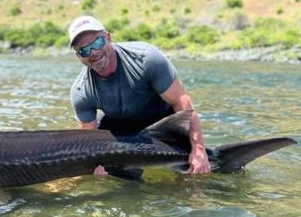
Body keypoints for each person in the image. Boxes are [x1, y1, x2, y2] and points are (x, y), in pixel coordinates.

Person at [68, 15, 211, 175]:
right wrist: (93, 168)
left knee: (189, 176)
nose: (93, 52)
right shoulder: (81, 91)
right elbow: (88, 141)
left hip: (162, 120)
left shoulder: (146, 58)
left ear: (108, 37)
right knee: (109, 173)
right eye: (84, 50)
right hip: (122, 127)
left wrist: (199, 149)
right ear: (78, 56)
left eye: (97, 43)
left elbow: (182, 103)